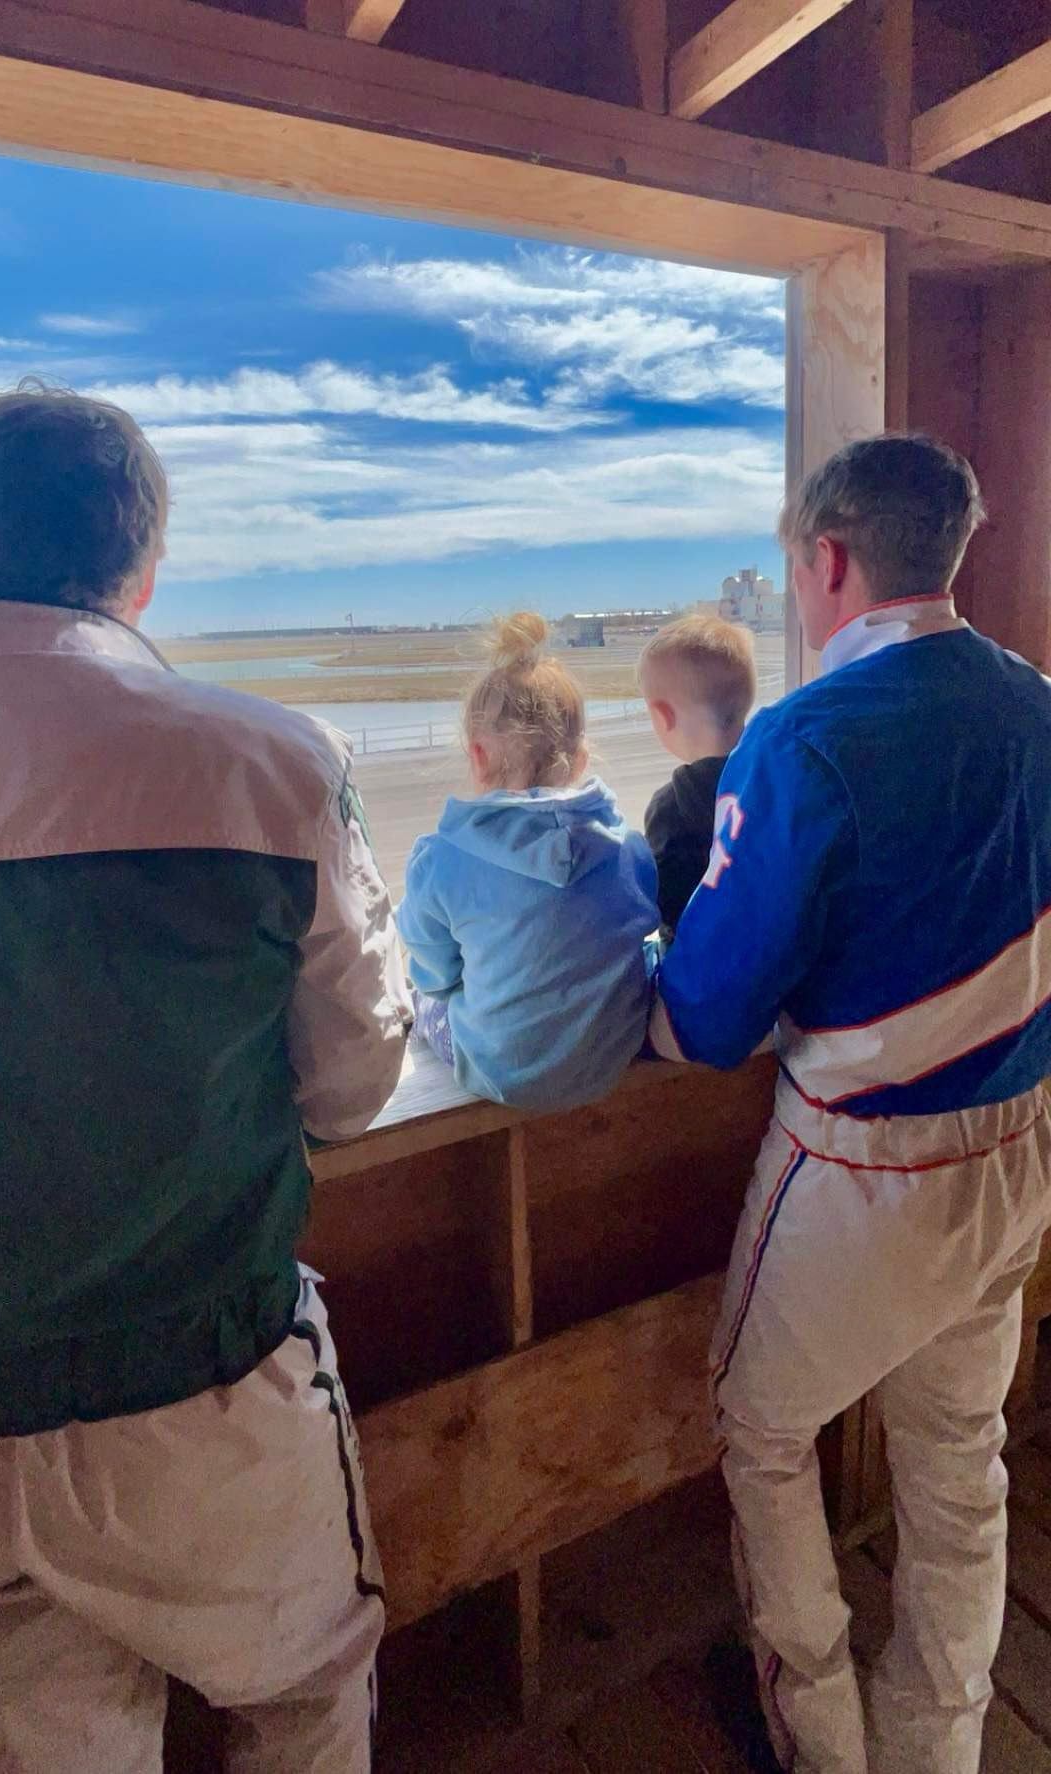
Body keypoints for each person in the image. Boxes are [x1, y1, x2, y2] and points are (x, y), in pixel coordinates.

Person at [0, 383, 411, 1774]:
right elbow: (353, 1082)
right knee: (304, 1702)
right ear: (141, 562)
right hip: (206, 1401)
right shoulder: (276, 759)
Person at [649, 434, 1051, 1774]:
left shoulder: (804, 737)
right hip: (1018, 1149)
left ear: (829, 558)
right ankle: (939, 1745)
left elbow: (707, 1019)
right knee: (961, 1463)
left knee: (763, 1432)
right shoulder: (1038, 702)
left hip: (861, 1175)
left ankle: (817, 1737)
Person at [398, 612, 660, 1109]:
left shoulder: (442, 859)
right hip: (610, 1057)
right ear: (581, 760)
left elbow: (434, 974)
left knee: (423, 999)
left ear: (476, 755)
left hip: (499, 1071)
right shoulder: (628, 848)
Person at [637, 614, 757, 937]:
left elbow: (666, 907)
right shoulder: (773, 775)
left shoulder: (670, 807)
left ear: (663, 717)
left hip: (700, 969)